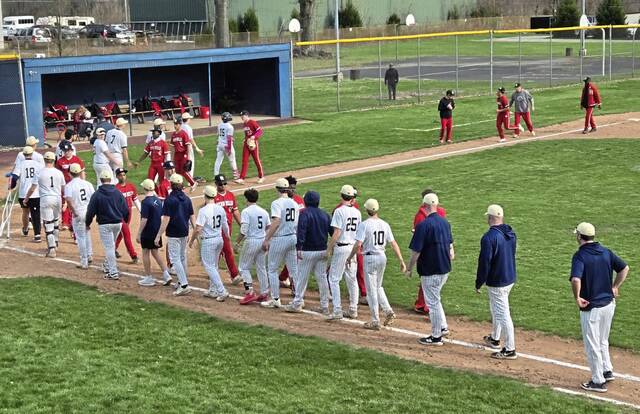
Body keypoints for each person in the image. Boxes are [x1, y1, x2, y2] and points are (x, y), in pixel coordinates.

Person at [570, 222, 629, 393]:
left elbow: (575, 279)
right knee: (603, 340)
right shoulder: (605, 251)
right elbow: (624, 268)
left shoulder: (580, 256)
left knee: (592, 344)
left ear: (580, 236)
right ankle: (607, 369)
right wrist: (615, 286)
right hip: (609, 304)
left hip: (592, 307)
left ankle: (598, 380)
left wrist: (577, 297)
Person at [348, 199, 406, 330]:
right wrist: (401, 260)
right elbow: (393, 243)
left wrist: (349, 257)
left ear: (366, 210)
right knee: (378, 286)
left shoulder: (364, 225)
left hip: (370, 259)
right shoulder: (385, 224)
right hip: (382, 257)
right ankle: (388, 311)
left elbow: (358, 244)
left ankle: (375, 320)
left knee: (371, 291)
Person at [406, 193, 454, 346]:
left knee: (432, 302)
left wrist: (409, 268)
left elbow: (416, 252)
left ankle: (436, 336)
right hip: (445, 268)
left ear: (424, 206)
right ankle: (443, 326)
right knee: (436, 299)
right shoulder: (445, 223)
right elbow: (450, 245)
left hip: (430, 270)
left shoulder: (423, 225)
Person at [476, 204, 517, 360]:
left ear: (490, 218)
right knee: (497, 309)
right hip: (509, 276)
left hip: (497, 281)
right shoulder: (510, 233)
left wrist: (479, 281)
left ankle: (510, 349)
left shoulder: (489, 237)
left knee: (503, 313)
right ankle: (495, 338)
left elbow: (484, 262)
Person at [284, 190, 331, 314]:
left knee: (301, 278)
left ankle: (297, 303)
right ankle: (324, 305)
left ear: (306, 201)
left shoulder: (304, 213)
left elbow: (301, 231)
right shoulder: (325, 214)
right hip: (322, 250)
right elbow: (332, 231)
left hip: (307, 251)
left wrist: (299, 247)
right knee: (322, 278)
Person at [261, 178, 300, 309]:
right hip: (292, 237)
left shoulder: (276, 203)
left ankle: (276, 299)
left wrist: (267, 238)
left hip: (280, 239)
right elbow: (297, 223)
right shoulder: (294, 203)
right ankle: (299, 298)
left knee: (272, 269)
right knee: (294, 270)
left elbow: (276, 221)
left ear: (277, 189)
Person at [155, 174, 195, 296]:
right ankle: (182, 281)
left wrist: (158, 235)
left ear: (171, 185)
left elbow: (166, 219)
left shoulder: (169, 200)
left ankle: (184, 285)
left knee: (175, 258)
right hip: (184, 231)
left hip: (173, 233)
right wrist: (195, 232)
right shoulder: (187, 199)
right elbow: (192, 216)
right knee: (182, 257)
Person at [85, 169, 129, 280]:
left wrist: (87, 223)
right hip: (117, 223)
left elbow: (91, 211)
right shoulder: (118, 193)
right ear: (111, 179)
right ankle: (107, 265)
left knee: (109, 248)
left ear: (101, 180)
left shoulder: (97, 194)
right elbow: (125, 209)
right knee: (112, 245)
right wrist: (125, 220)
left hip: (105, 224)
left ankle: (113, 272)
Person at [326, 185, 362, 321]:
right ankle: (353, 309)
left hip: (342, 248)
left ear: (341, 195)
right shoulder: (357, 212)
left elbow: (336, 233)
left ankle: (337, 310)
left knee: (334, 279)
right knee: (352, 279)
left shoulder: (339, 211)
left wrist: (329, 249)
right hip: (352, 248)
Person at [189, 185, 231, 301]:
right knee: (214, 265)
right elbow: (225, 225)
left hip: (209, 241)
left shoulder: (203, 210)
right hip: (219, 239)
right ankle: (213, 290)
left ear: (205, 196)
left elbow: (198, 228)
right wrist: (227, 236)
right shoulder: (220, 209)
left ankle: (221, 290)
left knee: (209, 266)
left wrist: (192, 240)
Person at [413, 188, 447, 314]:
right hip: (442, 251)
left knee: (426, 279)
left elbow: (418, 236)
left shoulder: (420, 216)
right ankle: (424, 304)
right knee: (433, 283)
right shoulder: (441, 212)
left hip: (427, 253)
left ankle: (424, 305)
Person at [24, 152, 65, 258]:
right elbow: (63, 188)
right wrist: (64, 201)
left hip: (46, 199)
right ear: (53, 160)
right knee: (56, 221)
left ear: (44, 160)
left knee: (48, 224)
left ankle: (51, 249)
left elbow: (33, 188)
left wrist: (27, 198)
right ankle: (55, 242)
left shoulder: (40, 172)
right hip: (57, 199)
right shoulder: (59, 173)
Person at [235, 188, 271, 305]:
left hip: (252, 241)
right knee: (261, 267)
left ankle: (249, 292)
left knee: (243, 268)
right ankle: (265, 293)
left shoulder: (246, 212)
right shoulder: (263, 211)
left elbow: (243, 230)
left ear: (246, 199)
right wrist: (267, 239)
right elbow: (268, 227)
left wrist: (237, 242)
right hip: (262, 240)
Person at [137, 179, 172, 287]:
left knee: (145, 252)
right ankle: (166, 274)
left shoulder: (145, 202)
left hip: (147, 231)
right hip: (156, 230)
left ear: (145, 188)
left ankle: (148, 277)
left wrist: (139, 233)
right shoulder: (157, 201)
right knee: (155, 252)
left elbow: (144, 219)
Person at [64, 163, 94, 269]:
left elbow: (69, 201)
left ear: (70, 173)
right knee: (87, 233)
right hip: (88, 212)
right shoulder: (88, 184)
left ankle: (84, 261)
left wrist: (75, 212)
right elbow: (93, 199)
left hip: (79, 213)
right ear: (80, 172)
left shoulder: (69, 186)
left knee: (80, 237)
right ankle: (89, 255)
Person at [213, 174, 242, 284]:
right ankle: (234, 275)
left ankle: (212, 271)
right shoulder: (213, 197)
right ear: (216, 184)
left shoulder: (231, 195)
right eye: (220, 184)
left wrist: (241, 225)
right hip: (217, 229)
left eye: (225, 183)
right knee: (227, 250)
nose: (223, 186)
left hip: (228, 228)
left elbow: (235, 211)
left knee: (220, 251)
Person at [279, 175, 305, 289]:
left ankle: (282, 278)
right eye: (290, 187)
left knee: (294, 258)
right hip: (285, 235)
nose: (292, 190)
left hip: (299, 234)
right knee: (294, 259)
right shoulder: (281, 202)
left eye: (294, 187)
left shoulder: (299, 199)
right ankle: (292, 285)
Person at [15, 146, 42, 242]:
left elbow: (15, 177)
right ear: (32, 154)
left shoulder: (20, 165)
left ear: (24, 154)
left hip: (23, 193)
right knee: (36, 213)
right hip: (35, 193)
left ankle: (25, 229)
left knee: (25, 212)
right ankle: (37, 234)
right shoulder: (38, 164)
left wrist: (12, 185)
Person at [55, 142, 84, 231]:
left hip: (75, 185)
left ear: (72, 150)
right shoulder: (60, 161)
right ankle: (65, 222)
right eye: (65, 151)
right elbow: (57, 174)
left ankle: (72, 222)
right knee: (65, 203)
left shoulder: (77, 160)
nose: (67, 153)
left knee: (74, 203)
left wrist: (82, 182)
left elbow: (82, 172)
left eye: (69, 151)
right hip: (65, 185)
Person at [114, 168, 140, 264]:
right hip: (119, 214)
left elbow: (135, 199)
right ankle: (134, 255)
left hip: (129, 213)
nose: (123, 176)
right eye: (120, 175)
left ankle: (113, 248)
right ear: (117, 177)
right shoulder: (115, 189)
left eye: (124, 174)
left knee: (121, 233)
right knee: (126, 233)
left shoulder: (131, 187)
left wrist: (142, 211)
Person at [236, 111, 265, 184]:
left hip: (253, 143)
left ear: (246, 115)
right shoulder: (244, 124)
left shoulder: (252, 122)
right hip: (246, 143)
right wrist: (245, 139)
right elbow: (247, 134)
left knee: (256, 160)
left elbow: (260, 131)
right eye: (241, 116)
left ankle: (261, 177)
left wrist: (254, 136)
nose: (241, 117)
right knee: (244, 161)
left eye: (242, 116)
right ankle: (241, 178)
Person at [170, 118, 196, 190]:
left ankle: (193, 183)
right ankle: (181, 185)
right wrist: (172, 158)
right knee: (177, 171)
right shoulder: (173, 135)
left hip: (183, 154)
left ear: (180, 125)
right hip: (176, 155)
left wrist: (188, 157)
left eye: (177, 124)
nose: (175, 126)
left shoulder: (183, 133)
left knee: (183, 171)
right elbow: (172, 147)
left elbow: (188, 145)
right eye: (174, 124)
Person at [214, 112, 239, 180]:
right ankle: (236, 176)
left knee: (218, 160)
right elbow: (228, 138)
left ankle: (216, 175)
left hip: (220, 144)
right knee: (232, 160)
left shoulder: (219, 125)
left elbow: (220, 135)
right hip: (226, 145)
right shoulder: (230, 127)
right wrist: (229, 148)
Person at [180, 112, 204, 179]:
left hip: (181, 146)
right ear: (187, 119)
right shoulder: (188, 128)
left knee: (182, 162)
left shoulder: (180, 126)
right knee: (190, 162)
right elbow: (191, 139)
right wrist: (197, 148)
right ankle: (190, 178)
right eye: (189, 118)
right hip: (188, 147)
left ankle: (183, 177)